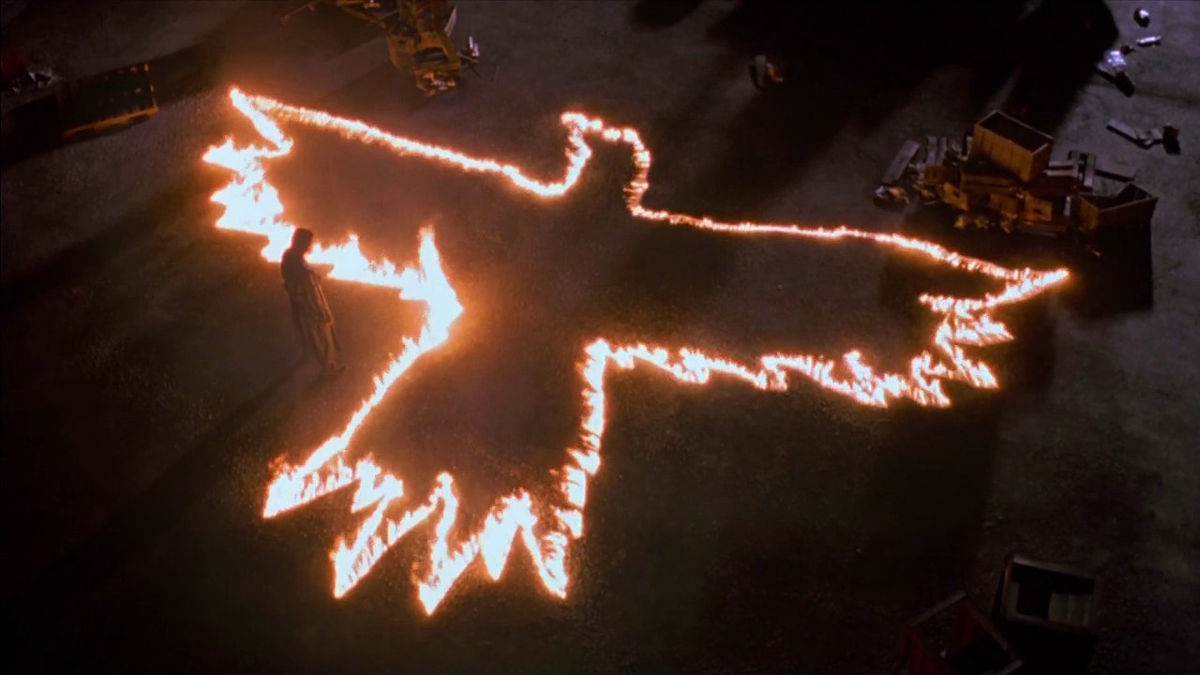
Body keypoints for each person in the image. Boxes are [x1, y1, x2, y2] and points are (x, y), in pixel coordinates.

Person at [281, 228, 343, 375]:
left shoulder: (296, 257)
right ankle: (328, 368)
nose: (311, 245)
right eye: (309, 242)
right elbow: (296, 286)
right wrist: (314, 308)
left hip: (312, 302)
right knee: (318, 335)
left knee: (321, 334)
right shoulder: (293, 260)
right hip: (309, 305)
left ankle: (329, 364)